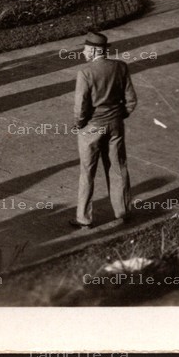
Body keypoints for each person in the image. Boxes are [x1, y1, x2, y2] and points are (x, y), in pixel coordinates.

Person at [71, 31, 137, 230]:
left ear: (93, 50)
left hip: (92, 127)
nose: (83, 52)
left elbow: (80, 106)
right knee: (118, 167)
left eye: (85, 49)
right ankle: (123, 210)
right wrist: (118, 116)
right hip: (115, 125)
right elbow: (131, 100)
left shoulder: (85, 73)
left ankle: (84, 218)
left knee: (87, 172)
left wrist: (79, 124)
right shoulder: (121, 67)